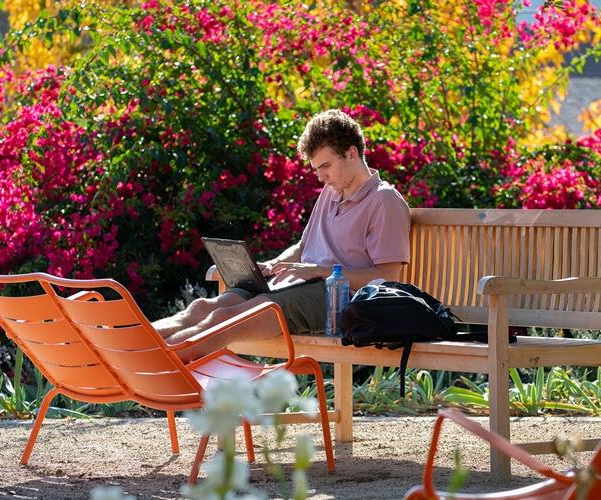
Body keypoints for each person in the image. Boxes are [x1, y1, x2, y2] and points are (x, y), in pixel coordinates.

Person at [154, 109, 411, 361]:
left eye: (326, 166)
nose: (321, 176)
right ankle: (123, 349)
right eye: (316, 168)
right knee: (203, 308)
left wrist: (320, 271)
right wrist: (275, 265)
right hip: (296, 284)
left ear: (351, 153)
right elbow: (303, 245)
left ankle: (153, 366)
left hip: (336, 298)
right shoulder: (332, 192)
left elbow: (388, 276)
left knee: (225, 319)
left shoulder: (384, 200)